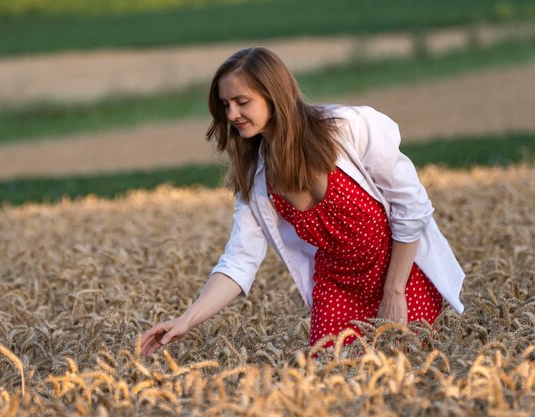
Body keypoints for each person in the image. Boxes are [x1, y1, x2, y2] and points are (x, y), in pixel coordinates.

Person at [140, 47, 465, 357]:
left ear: (274, 96)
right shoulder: (257, 181)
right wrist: (187, 319)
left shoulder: (347, 129)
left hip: (403, 275)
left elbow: (411, 204)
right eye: (226, 105)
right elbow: (239, 261)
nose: (232, 114)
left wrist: (394, 291)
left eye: (242, 102)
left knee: (412, 372)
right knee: (328, 381)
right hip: (337, 292)